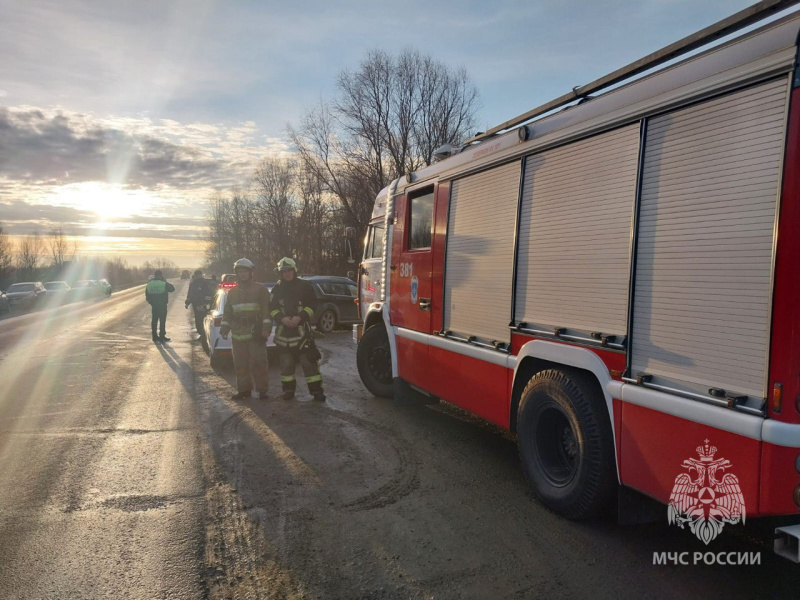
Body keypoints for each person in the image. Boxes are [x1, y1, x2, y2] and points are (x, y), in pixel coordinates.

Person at [270, 257, 325, 402]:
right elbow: (272, 308)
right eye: (284, 271)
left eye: (289, 271)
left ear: (294, 271)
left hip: (302, 334)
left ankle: (317, 391)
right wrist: (282, 318)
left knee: (309, 363)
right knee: (286, 365)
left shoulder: (305, 287)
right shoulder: (277, 289)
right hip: (284, 335)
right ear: (280, 273)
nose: (287, 274)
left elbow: (313, 305)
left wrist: (300, 317)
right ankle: (288, 391)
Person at [219, 258, 271, 400]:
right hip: (237, 334)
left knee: (259, 362)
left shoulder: (260, 289)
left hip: (255, 333)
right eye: (240, 272)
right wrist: (224, 328)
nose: (242, 274)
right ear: (237, 273)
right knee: (240, 364)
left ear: (251, 273)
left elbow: (266, 310)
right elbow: (228, 312)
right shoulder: (232, 292)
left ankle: (262, 390)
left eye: (245, 271)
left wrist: (266, 327)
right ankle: (244, 390)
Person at [145, 270, 175, 343]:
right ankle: (162, 336)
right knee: (162, 321)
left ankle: (154, 336)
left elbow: (147, 295)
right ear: (161, 276)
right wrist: (165, 281)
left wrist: (151, 302)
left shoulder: (149, 284)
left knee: (154, 321)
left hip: (154, 306)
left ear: (155, 276)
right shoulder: (163, 283)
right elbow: (172, 289)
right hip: (162, 305)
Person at [185, 269, 211, 336]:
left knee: (203, 318)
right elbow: (190, 293)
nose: (197, 276)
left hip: (203, 303)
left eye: (198, 275)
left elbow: (208, 293)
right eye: (196, 275)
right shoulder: (193, 283)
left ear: (201, 275)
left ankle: (204, 333)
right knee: (197, 319)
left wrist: (206, 302)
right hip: (195, 303)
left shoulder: (205, 282)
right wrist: (187, 302)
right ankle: (200, 333)